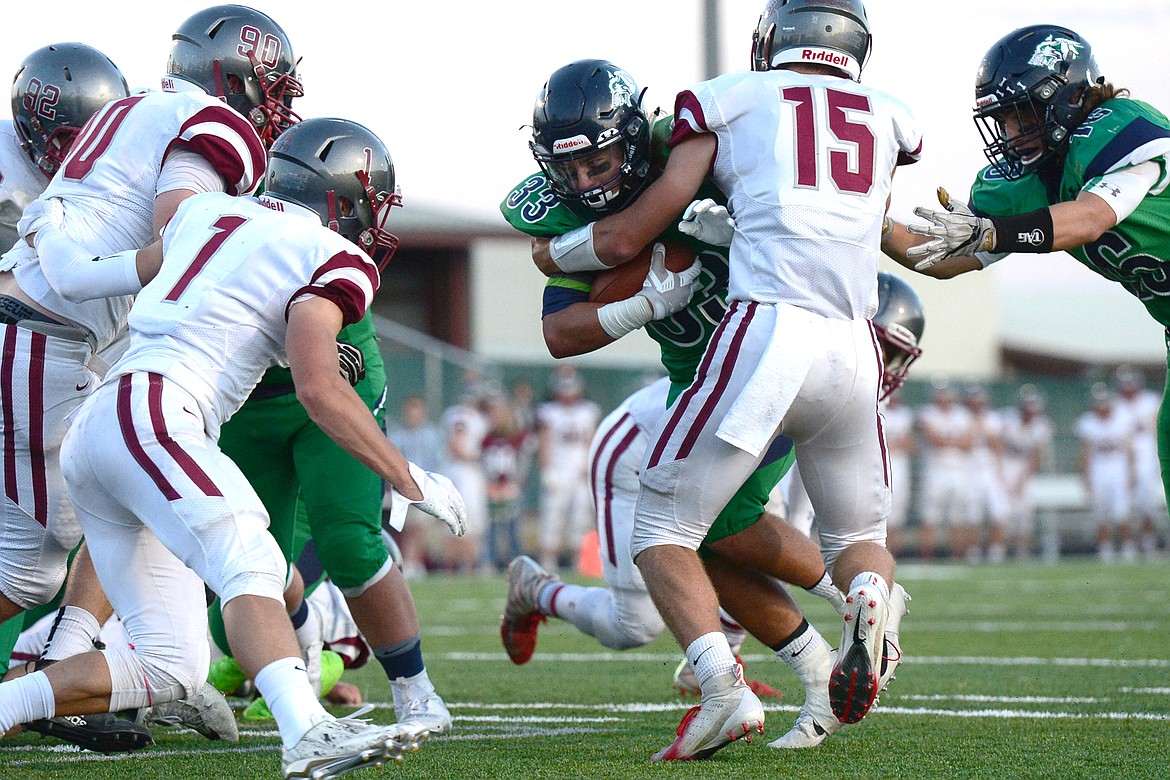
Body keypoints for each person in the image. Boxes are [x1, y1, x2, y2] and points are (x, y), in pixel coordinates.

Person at [0, 117, 467, 778]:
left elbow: (107, 276)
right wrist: (413, 478)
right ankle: (307, 731)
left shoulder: (205, 212)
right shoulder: (334, 254)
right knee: (250, 560)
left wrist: (47, 233)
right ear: (345, 200)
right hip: (160, 414)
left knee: (170, 664)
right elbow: (319, 390)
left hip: (105, 419)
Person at [523, 0, 921, 753]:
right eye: (570, 167)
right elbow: (558, 331)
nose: (586, 177)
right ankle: (851, 625)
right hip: (804, 358)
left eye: (600, 160)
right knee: (769, 536)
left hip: (756, 353)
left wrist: (568, 252)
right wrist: (639, 301)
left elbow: (628, 233)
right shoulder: (876, 116)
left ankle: (725, 686)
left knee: (668, 531)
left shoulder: (715, 128)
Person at [885, 24, 1170, 509]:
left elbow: (1089, 218)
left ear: (1065, 97)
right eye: (1004, 119)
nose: (1010, 133)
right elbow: (935, 257)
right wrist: (861, 213)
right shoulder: (1027, 183)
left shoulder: (1118, 124)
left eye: (1021, 115)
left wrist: (997, 232)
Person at [0, 41, 130, 691]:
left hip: (67, 357)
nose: (69, 151)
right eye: (59, 135)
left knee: (117, 499)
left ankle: (65, 654)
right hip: (27, 351)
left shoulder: (124, 172)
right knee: (32, 563)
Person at [534, 368, 600, 571]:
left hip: (580, 472)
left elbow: (592, 440)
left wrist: (590, 464)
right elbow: (543, 443)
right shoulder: (549, 412)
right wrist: (547, 470)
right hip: (559, 472)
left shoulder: (588, 411)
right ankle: (548, 563)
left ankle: (577, 563)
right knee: (552, 517)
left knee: (580, 518)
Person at [387, 394, 447, 578]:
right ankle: (411, 562)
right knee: (409, 528)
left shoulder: (432, 435)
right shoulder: (398, 435)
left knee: (419, 527)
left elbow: (438, 463)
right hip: (404, 486)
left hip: (424, 486)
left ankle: (414, 562)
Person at [1076, 383, 1136, 561]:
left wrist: (1132, 473)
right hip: (1098, 470)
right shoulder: (1088, 422)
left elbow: (1129, 450)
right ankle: (1105, 548)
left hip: (1118, 470)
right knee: (1100, 513)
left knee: (1121, 512)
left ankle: (1128, 547)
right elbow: (1085, 453)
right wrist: (1085, 478)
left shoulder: (1122, 419)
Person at [915, 381, 975, 560]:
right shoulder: (926, 412)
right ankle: (927, 556)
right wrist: (953, 440)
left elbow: (968, 443)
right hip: (935, 470)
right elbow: (934, 439)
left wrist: (947, 440)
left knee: (957, 515)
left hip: (958, 470)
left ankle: (958, 555)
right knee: (929, 515)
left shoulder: (963, 415)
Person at [1113, 366, 1167, 557]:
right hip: (1120, 459)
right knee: (1124, 505)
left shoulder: (1150, 401)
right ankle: (1129, 545)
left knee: (1147, 502)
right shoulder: (1115, 404)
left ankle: (1148, 542)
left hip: (1146, 456)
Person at [999, 385, 1054, 559]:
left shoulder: (1042, 425)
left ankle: (1021, 552)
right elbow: (998, 446)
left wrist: (1024, 477)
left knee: (1025, 512)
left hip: (1025, 467)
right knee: (1003, 510)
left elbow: (1037, 455)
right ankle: (1000, 551)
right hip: (1006, 463)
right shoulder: (1007, 419)